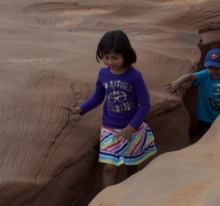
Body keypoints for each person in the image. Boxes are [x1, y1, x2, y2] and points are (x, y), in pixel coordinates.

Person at [66, 29, 157, 187]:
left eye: (115, 57)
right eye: (106, 57)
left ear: (126, 55)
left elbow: (145, 104)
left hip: (132, 129)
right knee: (109, 168)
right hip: (110, 127)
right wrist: (81, 109)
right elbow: (98, 97)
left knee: (132, 164)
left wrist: (131, 127)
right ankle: (105, 203)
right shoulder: (103, 74)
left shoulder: (134, 76)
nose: (110, 62)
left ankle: (131, 194)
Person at [167, 48, 220, 137]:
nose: (213, 71)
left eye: (217, 68)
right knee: (206, 138)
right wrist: (177, 83)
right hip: (204, 118)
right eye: (210, 68)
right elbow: (190, 77)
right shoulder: (205, 75)